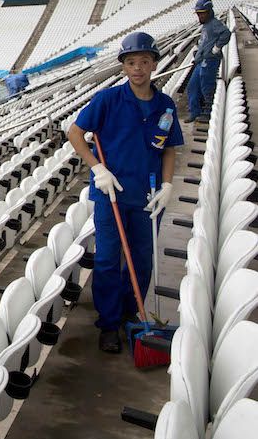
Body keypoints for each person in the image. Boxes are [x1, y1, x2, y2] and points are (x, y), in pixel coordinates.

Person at [67, 32, 183, 353]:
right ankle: (108, 323)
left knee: (142, 260)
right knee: (106, 260)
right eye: (131, 62)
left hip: (148, 196)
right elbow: (75, 133)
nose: (137, 68)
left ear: (153, 65)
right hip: (111, 194)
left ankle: (131, 314)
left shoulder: (165, 105)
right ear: (123, 67)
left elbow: (171, 149)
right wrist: (97, 168)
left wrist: (168, 184)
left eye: (144, 62)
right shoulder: (107, 100)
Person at [185, 0, 231, 123]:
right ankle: (194, 112)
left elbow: (226, 33)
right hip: (202, 60)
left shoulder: (214, 23)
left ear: (209, 11)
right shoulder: (206, 25)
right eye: (198, 14)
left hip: (210, 60)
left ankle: (208, 112)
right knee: (192, 86)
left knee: (207, 85)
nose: (199, 16)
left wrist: (217, 48)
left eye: (202, 13)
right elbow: (204, 42)